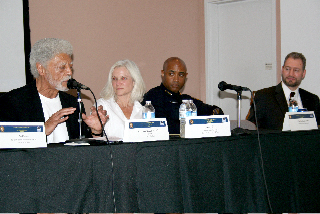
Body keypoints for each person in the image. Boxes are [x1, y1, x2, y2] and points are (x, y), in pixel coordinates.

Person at [0, 38, 107, 143]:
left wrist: (96, 132)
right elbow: (8, 147)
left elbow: (85, 150)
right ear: (41, 69)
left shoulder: (73, 103)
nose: (69, 72)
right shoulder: (12, 102)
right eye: (62, 67)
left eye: (70, 66)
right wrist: (42, 130)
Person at [142, 57, 224, 134]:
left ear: (185, 76)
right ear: (163, 74)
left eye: (181, 75)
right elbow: (165, 128)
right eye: (171, 74)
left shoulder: (186, 100)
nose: (176, 80)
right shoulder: (153, 97)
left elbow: (215, 111)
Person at [247, 52, 320, 130]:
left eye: (296, 70)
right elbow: (250, 128)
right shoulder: (263, 96)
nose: (291, 74)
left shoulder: (313, 99)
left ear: (303, 73)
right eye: (287, 69)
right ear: (282, 70)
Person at [97, 59, 146, 138]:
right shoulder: (102, 106)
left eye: (123, 78)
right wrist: (96, 131)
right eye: (114, 79)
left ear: (134, 81)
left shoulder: (142, 110)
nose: (118, 83)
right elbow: (96, 141)